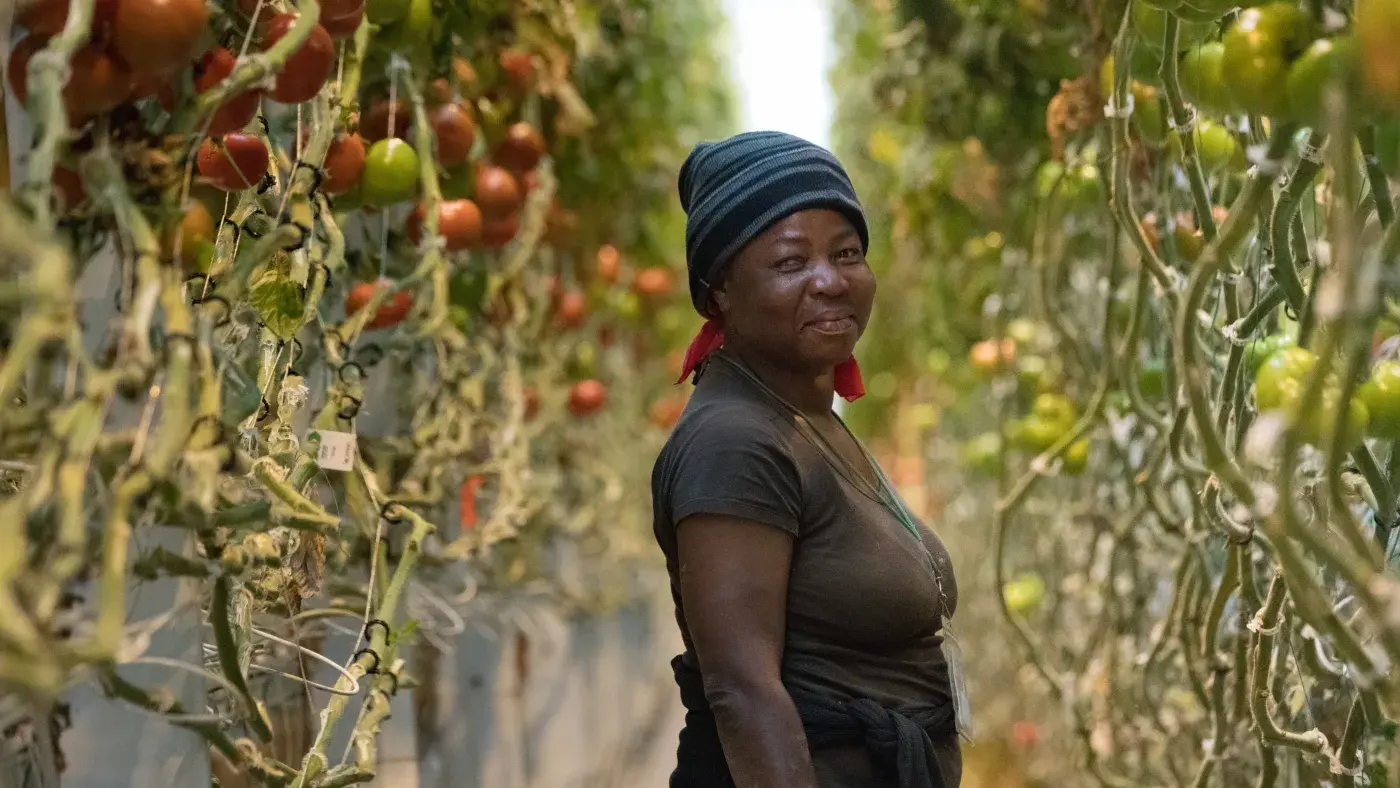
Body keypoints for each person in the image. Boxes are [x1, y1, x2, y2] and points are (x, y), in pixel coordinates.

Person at [651, 130, 965, 788]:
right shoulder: (735, 441)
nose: (830, 281)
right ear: (719, 295)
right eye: (792, 263)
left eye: (847, 253)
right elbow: (742, 693)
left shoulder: (805, 417)